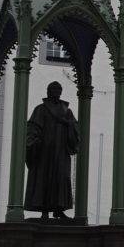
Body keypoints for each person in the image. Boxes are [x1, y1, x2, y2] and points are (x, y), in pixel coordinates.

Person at [24, 81, 79, 219]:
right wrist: (34, 142)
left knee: (62, 178)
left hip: (61, 153)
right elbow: (33, 128)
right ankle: (44, 210)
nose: (56, 92)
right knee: (45, 179)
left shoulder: (67, 111)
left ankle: (59, 209)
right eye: (53, 90)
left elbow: (75, 129)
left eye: (58, 90)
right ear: (48, 92)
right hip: (45, 152)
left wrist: (69, 124)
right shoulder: (40, 109)